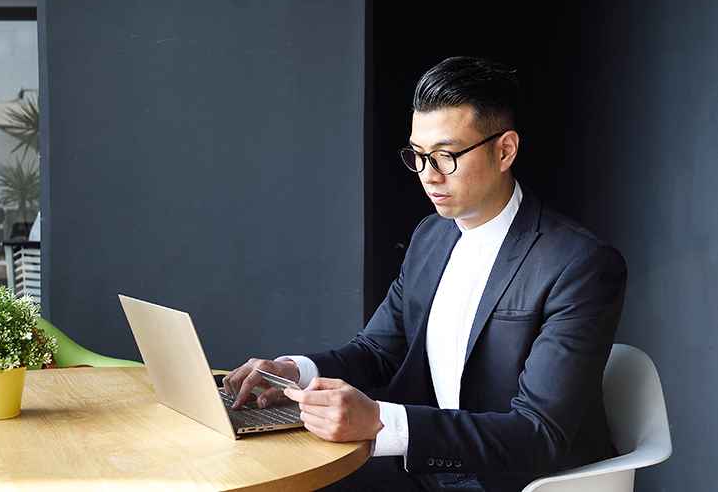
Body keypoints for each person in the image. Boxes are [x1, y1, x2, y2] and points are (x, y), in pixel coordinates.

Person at [222, 56, 627, 492]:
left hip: (517, 479)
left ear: (505, 150)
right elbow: (378, 351)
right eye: (418, 156)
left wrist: (380, 421)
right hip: (425, 464)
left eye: (446, 156)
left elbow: (539, 434)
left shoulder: (579, 263)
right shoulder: (432, 236)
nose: (428, 175)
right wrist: (291, 373)